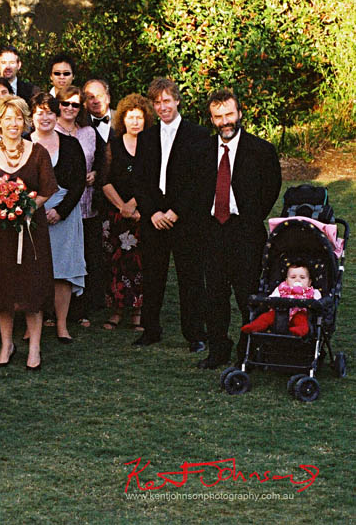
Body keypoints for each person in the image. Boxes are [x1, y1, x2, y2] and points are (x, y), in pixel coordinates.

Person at [0, 96, 57, 370]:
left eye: (18, 118)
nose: (13, 123)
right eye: (8, 118)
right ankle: (7, 343)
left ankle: (35, 347)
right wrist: (1, 207)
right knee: (2, 289)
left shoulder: (38, 152)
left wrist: (25, 207)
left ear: (25, 121)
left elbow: (47, 189)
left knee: (32, 288)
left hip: (31, 231)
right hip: (0, 232)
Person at [198, 89, 281, 369]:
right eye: (218, 116)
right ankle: (218, 350)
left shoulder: (261, 150)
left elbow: (271, 188)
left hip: (246, 233)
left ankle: (251, 350)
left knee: (249, 296)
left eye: (230, 114)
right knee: (215, 296)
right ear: (211, 119)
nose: (225, 121)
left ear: (240, 113)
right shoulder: (202, 151)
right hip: (213, 232)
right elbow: (194, 190)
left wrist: (251, 216)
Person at [132, 78, 209, 352]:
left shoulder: (198, 135)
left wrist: (176, 212)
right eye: (157, 103)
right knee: (153, 276)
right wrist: (151, 212)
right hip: (154, 218)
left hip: (185, 219)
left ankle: (195, 333)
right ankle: (150, 329)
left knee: (190, 277)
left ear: (177, 100)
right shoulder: (146, 137)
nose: (162, 107)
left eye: (166, 101)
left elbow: (199, 181)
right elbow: (140, 181)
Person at [29, 92, 87, 344]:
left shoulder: (71, 144)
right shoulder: (22, 144)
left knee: (62, 271)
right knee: (33, 271)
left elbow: (78, 183)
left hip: (64, 214)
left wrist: (60, 211)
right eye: (40, 111)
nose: (45, 117)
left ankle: (62, 325)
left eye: (50, 112)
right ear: (32, 116)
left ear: (57, 115)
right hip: (31, 216)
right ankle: (33, 326)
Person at [100, 94, 154, 332]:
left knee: (142, 264)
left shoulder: (153, 145)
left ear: (146, 119)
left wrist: (136, 204)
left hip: (144, 215)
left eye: (139, 117)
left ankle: (139, 311)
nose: (135, 122)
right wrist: (122, 206)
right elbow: (104, 180)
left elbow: (154, 181)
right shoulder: (113, 145)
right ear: (122, 119)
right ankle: (116, 310)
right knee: (115, 264)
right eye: (130, 117)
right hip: (116, 217)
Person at [55, 86, 108, 326]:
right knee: (60, 259)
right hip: (60, 205)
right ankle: (53, 311)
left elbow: (101, 160)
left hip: (87, 206)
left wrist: (96, 173)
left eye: (75, 105)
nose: (69, 108)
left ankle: (83, 308)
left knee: (86, 258)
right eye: (65, 103)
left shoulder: (88, 132)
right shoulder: (49, 129)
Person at [241, 262, 317, 337]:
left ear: (309, 282)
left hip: (299, 312)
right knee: (265, 317)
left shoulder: (312, 292)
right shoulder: (281, 289)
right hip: (279, 313)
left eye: (302, 277)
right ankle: (255, 326)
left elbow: (318, 303)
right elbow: (271, 299)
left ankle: (299, 331)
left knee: (302, 321)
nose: (297, 280)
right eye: (293, 277)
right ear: (286, 281)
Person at [84, 79, 113, 144]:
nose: (96, 101)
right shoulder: (80, 125)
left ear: (108, 98)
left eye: (99, 96)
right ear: (85, 102)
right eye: (91, 97)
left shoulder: (124, 119)